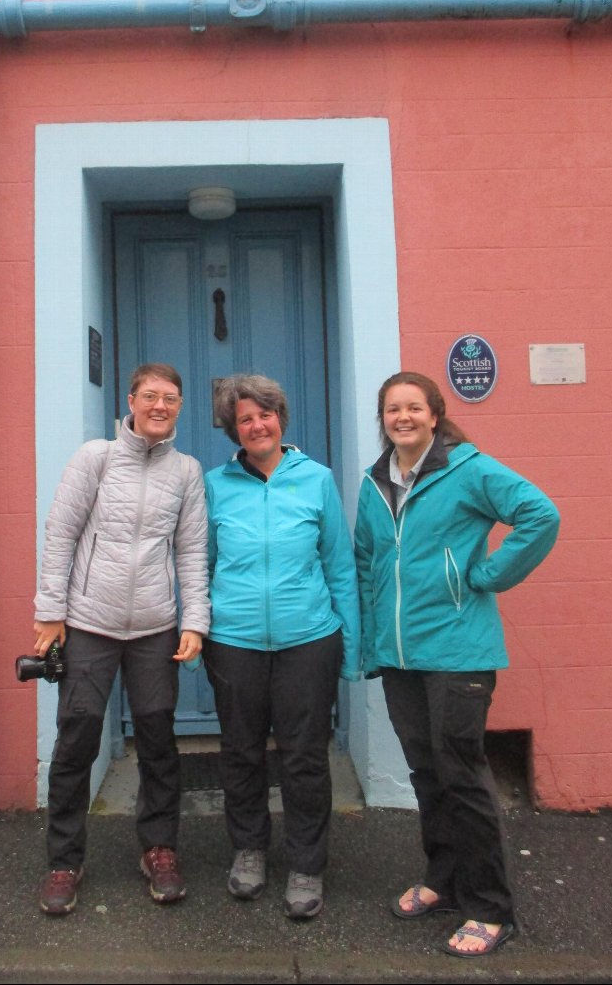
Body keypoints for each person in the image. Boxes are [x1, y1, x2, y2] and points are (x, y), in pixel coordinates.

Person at [354, 371, 560, 957]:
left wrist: (488, 576)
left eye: (414, 408)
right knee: (426, 772)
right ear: (384, 419)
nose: (403, 418)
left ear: (435, 415)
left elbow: (540, 515)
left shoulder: (468, 470)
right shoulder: (375, 483)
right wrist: (371, 645)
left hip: (457, 649)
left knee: (461, 773)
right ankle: (443, 881)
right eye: (393, 409)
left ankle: (490, 908)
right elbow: (367, 561)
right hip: (400, 655)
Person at [32, 363, 210, 915]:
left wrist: (194, 620)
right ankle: (65, 860)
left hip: (155, 627)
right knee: (77, 738)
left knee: (158, 738)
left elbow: (191, 551)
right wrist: (51, 613)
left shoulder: (186, 471)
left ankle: (158, 848)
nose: (160, 405)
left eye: (171, 398)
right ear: (130, 400)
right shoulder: (96, 459)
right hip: (89, 623)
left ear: (180, 407)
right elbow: (60, 533)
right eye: (151, 396)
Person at [203, 374, 360, 920]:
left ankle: (306, 863)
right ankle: (249, 850)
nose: (257, 424)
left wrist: (352, 645)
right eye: (245, 418)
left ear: (281, 419)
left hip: (308, 640)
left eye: (265, 414)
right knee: (241, 752)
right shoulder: (214, 485)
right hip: (233, 641)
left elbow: (339, 563)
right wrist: (196, 628)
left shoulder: (316, 479)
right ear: (233, 429)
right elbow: (200, 564)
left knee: (304, 758)